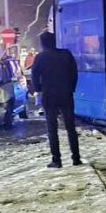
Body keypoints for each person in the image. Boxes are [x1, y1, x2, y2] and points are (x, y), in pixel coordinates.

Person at [30, 32, 82, 168]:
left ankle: (56, 160)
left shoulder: (40, 57)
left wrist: (39, 89)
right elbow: (74, 73)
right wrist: (71, 88)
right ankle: (76, 158)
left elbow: (34, 76)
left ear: (42, 43)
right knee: (71, 127)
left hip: (49, 96)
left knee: (52, 129)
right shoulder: (66, 54)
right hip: (66, 94)